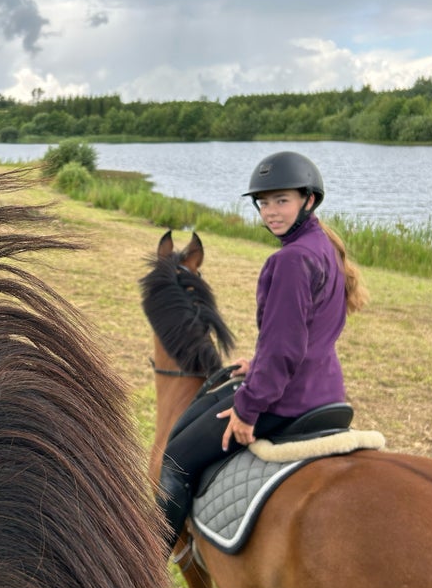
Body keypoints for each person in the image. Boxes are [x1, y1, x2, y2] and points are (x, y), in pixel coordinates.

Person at [156, 150, 368, 552]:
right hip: (323, 389)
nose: (271, 212)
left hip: (284, 398)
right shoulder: (322, 245)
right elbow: (309, 332)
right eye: (264, 203)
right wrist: (257, 364)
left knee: (176, 457)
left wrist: (250, 407)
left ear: (309, 200)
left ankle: (144, 567)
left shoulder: (291, 259)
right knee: (192, 416)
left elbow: (286, 347)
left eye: (281, 201)